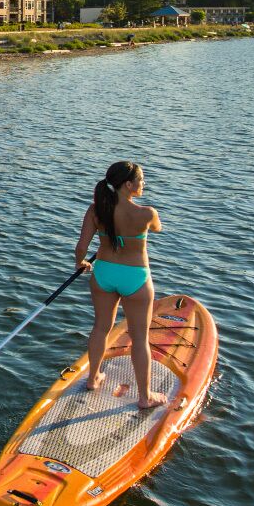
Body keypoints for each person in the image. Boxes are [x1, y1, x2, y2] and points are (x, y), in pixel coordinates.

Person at [73, 161, 167, 409]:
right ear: (129, 184)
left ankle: (93, 379)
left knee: (101, 328)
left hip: (104, 273)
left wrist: (80, 263)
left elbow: (81, 247)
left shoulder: (96, 210)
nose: (143, 184)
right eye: (141, 180)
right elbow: (157, 228)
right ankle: (145, 398)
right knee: (139, 338)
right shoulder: (147, 213)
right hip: (135, 278)